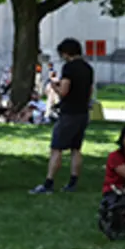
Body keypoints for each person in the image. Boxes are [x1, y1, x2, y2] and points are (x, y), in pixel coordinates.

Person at [31, 38, 94, 194]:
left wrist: (54, 86)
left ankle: (49, 183)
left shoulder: (69, 68)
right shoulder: (88, 68)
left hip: (69, 112)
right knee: (76, 149)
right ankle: (73, 183)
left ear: (66, 53)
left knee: (56, 148)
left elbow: (64, 91)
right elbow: (90, 90)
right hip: (83, 112)